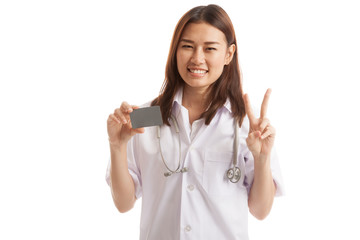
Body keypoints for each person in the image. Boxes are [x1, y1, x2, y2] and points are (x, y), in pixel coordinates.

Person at [106, 4, 284, 240]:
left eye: (210, 48)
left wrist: (262, 159)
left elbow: (260, 211)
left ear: (228, 54)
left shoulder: (246, 124)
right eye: (187, 46)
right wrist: (116, 146)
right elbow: (124, 204)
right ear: (175, 51)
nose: (197, 58)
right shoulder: (145, 116)